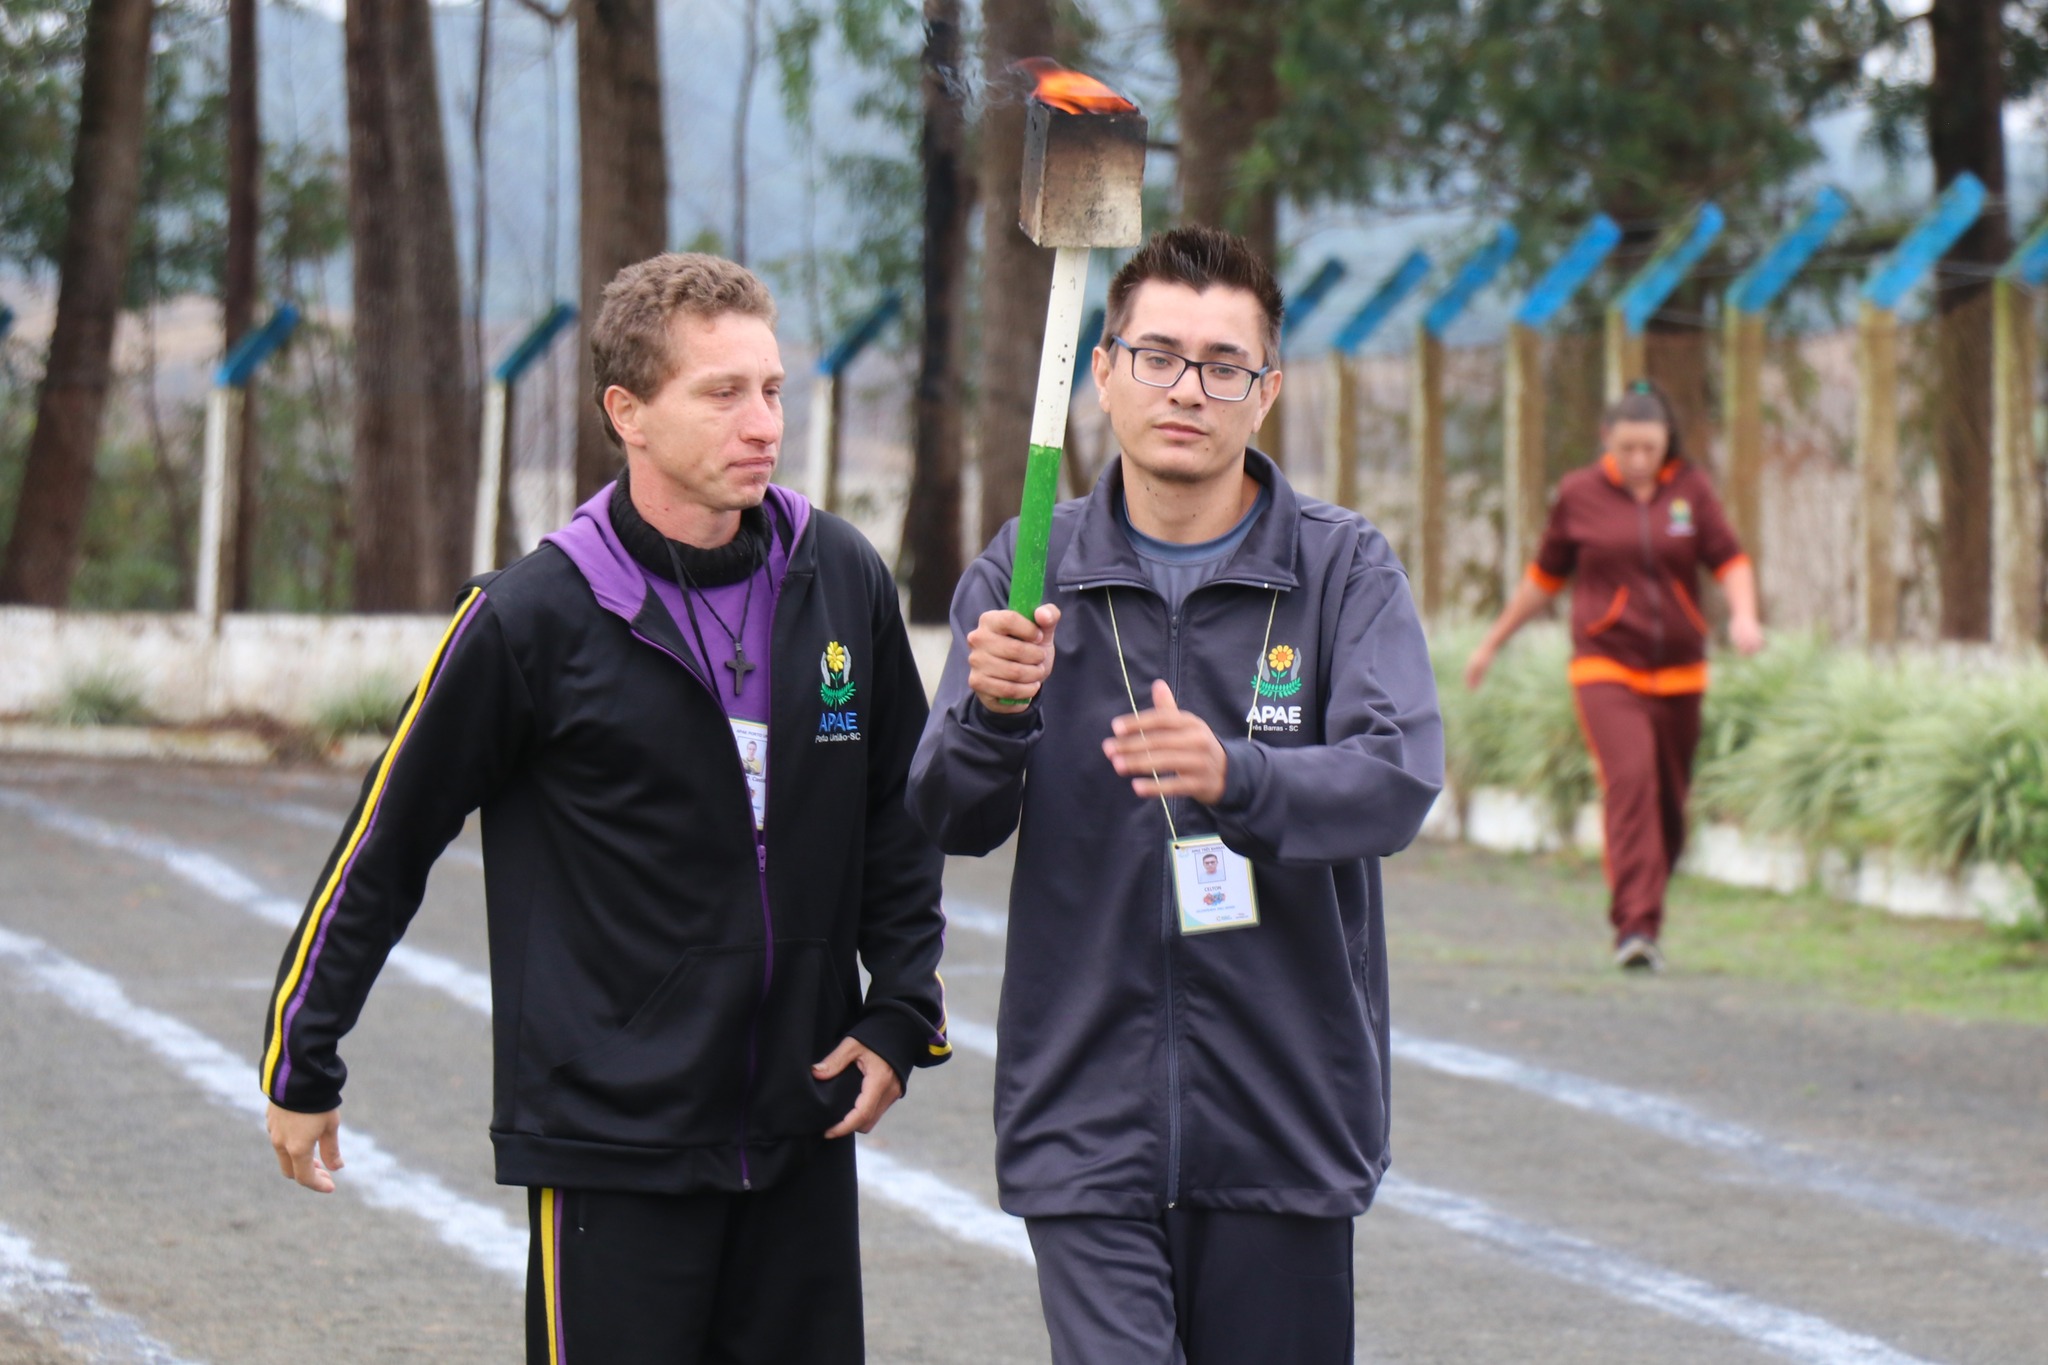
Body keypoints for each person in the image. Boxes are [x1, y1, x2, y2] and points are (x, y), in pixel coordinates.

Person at [260, 253, 949, 1364]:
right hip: (610, 1142)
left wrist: (900, 1008)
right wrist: (304, 1054)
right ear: (625, 411)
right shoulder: (531, 617)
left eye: (772, 389)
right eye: (721, 393)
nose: (762, 421)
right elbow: (386, 845)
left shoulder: (842, 576)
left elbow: (896, 814)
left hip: (801, 1122)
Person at [910, 225, 1444, 1365]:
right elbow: (947, 814)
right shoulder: (1025, 568)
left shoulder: (1340, 568)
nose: (1184, 390)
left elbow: (1394, 780)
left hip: (1281, 1122)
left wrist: (1236, 774)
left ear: (1266, 392)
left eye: (1220, 365)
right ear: (1100, 373)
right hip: (1082, 1118)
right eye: (1155, 356)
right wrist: (992, 715)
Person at [1464, 378, 1763, 972]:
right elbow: (1544, 579)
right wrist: (1493, 641)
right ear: (1608, 441)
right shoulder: (1580, 494)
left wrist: (1746, 618)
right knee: (1630, 783)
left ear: (1665, 443)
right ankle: (1636, 928)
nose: (1638, 461)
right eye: (1627, 448)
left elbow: (1729, 559)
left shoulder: (1690, 490)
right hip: (1606, 665)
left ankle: (1645, 904)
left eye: (1649, 449)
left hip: (1681, 674)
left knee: (1671, 807)